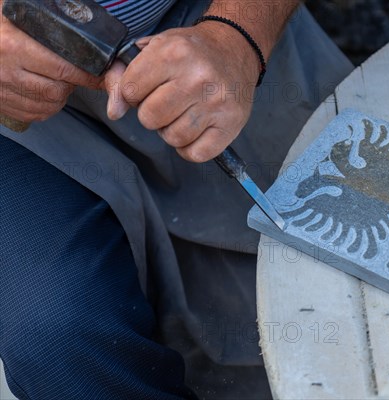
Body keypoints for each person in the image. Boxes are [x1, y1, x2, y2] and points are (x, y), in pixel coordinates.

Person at [0, 0, 353, 398]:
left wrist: (236, 37)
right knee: (59, 338)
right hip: (15, 109)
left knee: (341, 288)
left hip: (212, 32)